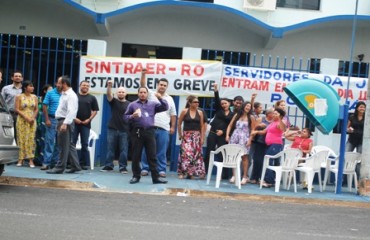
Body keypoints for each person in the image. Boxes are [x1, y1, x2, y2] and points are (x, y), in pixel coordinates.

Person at [124, 86, 168, 184]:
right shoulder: (132, 105)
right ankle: (136, 176)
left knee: (152, 155)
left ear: (147, 94)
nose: (143, 94)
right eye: (141, 92)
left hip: (150, 131)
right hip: (137, 132)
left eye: (144, 92)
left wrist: (160, 98)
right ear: (138, 93)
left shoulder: (153, 104)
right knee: (135, 155)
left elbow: (165, 107)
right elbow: (125, 117)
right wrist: (132, 116)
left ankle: (155, 178)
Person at [140, 69, 177, 177]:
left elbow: (173, 114)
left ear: (167, 87)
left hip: (164, 129)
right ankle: (145, 168)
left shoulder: (170, 99)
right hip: (150, 127)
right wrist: (143, 74)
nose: (162, 86)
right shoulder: (151, 94)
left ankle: (161, 170)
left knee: (162, 151)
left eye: (164, 85)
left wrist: (173, 127)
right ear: (157, 85)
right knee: (146, 149)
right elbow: (143, 85)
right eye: (161, 84)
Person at [47, 76, 82, 174]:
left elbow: (72, 111)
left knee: (63, 146)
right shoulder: (64, 94)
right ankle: (75, 165)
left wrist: (65, 123)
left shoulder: (71, 95)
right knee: (68, 145)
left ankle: (60, 167)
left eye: (58, 83)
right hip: (63, 121)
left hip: (64, 121)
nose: (57, 85)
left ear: (64, 84)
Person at [100, 80, 130, 173]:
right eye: (119, 92)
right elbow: (109, 95)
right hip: (112, 129)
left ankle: (123, 167)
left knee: (124, 150)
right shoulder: (113, 102)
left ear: (126, 93)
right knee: (110, 148)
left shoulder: (130, 104)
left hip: (124, 130)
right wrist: (109, 86)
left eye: (123, 92)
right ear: (116, 93)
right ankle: (109, 165)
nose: (121, 93)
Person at [204, 83, 234, 174]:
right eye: (222, 104)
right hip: (213, 133)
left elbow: (232, 127)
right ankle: (205, 172)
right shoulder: (218, 110)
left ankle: (222, 174)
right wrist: (216, 89)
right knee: (209, 152)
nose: (224, 105)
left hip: (222, 136)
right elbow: (217, 99)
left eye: (225, 103)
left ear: (229, 104)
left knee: (222, 154)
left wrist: (223, 132)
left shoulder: (233, 115)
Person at [226, 101, 256, 185]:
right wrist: (227, 135)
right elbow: (230, 125)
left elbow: (253, 130)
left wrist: (250, 139)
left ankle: (244, 176)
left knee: (244, 157)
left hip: (245, 137)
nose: (248, 108)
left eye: (249, 107)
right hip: (235, 136)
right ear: (243, 106)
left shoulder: (251, 117)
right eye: (247, 106)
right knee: (233, 156)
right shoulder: (237, 115)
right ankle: (234, 175)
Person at [257, 108, 287, 188]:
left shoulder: (281, 122)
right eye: (273, 113)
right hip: (269, 144)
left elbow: (283, 128)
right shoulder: (272, 123)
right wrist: (255, 132)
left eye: (276, 113)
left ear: (280, 115)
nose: (273, 115)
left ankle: (269, 181)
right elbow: (264, 131)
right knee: (268, 161)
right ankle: (270, 179)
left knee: (269, 161)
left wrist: (280, 118)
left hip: (276, 144)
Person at [177, 95, 205, 179]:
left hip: (196, 136)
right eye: (195, 102)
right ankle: (182, 172)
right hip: (187, 135)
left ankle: (191, 173)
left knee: (196, 155)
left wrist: (202, 138)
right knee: (186, 154)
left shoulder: (200, 112)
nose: (197, 103)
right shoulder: (185, 111)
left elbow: (202, 126)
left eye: (198, 102)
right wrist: (180, 134)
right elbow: (179, 123)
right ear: (190, 103)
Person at [73, 80, 99, 170]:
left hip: (86, 124)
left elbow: (95, 110)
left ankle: (83, 163)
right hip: (75, 123)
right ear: (80, 86)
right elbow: (70, 109)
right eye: (84, 85)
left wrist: (89, 119)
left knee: (84, 144)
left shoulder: (92, 98)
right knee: (72, 143)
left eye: (87, 86)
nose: (85, 87)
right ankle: (72, 163)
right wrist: (74, 118)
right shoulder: (75, 97)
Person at [14, 80, 38, 167]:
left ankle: (31, 159)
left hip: (32, 120)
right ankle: (20, 159)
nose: (32, 87)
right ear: (25, 87)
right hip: (22, 119)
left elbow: (36, 109)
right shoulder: (19, 96)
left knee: (31, 139)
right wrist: (26, 117)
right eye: (30, 86)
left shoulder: (34, 97)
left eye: (32, 86)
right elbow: (17, 109)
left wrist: (33, 118)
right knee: (21, 138)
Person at [40, 79, 62, 170]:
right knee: (49, 141)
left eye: (62, 83)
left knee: (59, 142)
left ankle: (55, 162)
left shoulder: (66, 94)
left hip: (62, 120)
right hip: (51, 119)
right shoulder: (50, 93)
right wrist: (47, 119)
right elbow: (44, 106)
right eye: (59, 83)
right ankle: (46, 162)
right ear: (56, 83)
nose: (60, 85)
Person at [249, 107, 274, 184]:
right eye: (273, 113)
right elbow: (254, 128)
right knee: (257, 160)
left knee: (266, 161)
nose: (274, 114)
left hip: (269, 143)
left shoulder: (274, 121)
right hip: (260, 141)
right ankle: (254, 177)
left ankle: (263, 178)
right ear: (268, 114)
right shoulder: (261, 119)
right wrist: (259, 126)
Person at [34, 84, 53, 166]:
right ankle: (38, 159)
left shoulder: (52, 99)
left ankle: (46, 160)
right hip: (39, 121)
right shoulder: (38, 99)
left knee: (48, 140)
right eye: (49, 90)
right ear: (45, 91)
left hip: (48, 120)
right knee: (38, 140)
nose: (51, 91)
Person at [1, 70, 23, 141]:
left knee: (19, 134)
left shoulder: (24, 90)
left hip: (21, 115)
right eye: (16, 76)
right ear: (12, 78)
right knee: (8, 134)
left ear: (22, 78)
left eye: (19, 76)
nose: (18, 77)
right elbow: (1, 102)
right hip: (8, 114)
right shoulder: (6, 88)